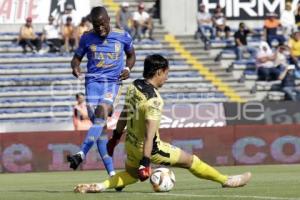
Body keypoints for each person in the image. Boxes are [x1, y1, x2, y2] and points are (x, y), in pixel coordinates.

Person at [73, 54, 252, 193]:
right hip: (150, 149)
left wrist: (115, 139)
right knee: (191, 161)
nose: (167, 78)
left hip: (130, 144)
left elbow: (125, 115)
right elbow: (150, 134)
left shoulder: (134, 85)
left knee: (131, 175)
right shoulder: (154, 101)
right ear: (159, 72)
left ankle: (101, 185)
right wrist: (146, 161)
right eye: (166, 73)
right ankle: (226, 180)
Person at [67, 6, 136, 179]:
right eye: (96, 25)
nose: (100, 28)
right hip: (92, 85)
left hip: (112, 84)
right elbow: (76, 58)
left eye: (103, 24)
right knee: (100, 127)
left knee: (102, 112)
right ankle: (112, 174)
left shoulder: (123, 35)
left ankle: (81, 154)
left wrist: (128, 67)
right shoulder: (87, 38)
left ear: (108, 20)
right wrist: (75, 67)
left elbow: (131, 55)